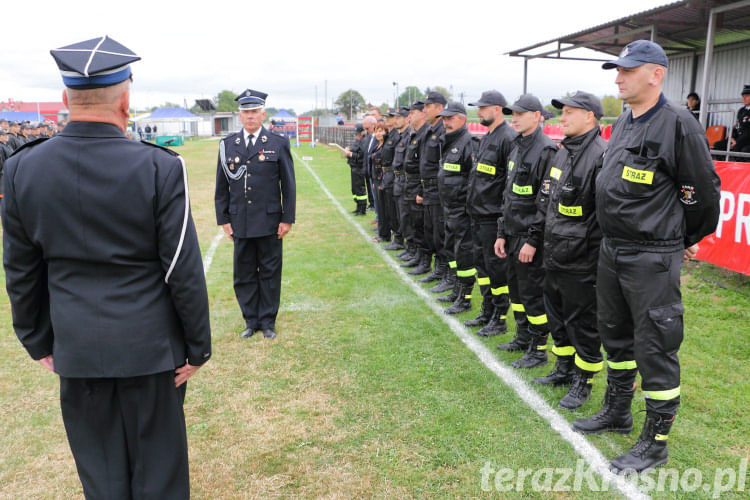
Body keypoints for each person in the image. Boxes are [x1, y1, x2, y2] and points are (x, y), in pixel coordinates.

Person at [2, 36, 211, 499]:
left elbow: (20, 270)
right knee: (159, 477)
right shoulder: (158, 167)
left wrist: (37, 341)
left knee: (102, 479)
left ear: (64, 99)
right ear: (125, 99)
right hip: (151, 350)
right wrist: (198, 347)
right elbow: (181, 268)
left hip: (76, 349)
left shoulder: (21, 169)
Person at [572, 40, 721, 474]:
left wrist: (678, 236)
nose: (618, 77)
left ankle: (654, 443)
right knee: (614, 336)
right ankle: (617, 410)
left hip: (651, 256)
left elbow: (703, 196)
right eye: (616, 70)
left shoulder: (679, 124)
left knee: (656, 347)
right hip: (612, 249)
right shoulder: (622, 122)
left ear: (656, 74)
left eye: (628, 70)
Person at [532, 91, 607, 412]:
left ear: (589, 116)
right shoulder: (562, 152)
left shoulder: (602, 155)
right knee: (557, 317)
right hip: (554, 255)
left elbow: (604, 216)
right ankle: (563, 368)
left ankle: (583, 380)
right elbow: (547, 202)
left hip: (582, 261)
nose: (562, 118)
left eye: (569, 113)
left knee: (582, 324)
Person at [215, 88, 296, 340]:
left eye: (254, 112)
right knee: (244, 273)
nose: (250, 116)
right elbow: (221, 187)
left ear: (263, 114)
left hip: (270, 221)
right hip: (241, 221)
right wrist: (224, 219)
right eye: (245, 112)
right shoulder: (228, 145)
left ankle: (268, 321)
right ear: (239, 116)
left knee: (270, 273)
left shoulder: (277, 143)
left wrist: (287, 218)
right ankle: (250, 320)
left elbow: (288, 184)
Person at [494, 94, 558, 369]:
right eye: (513, 114)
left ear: (537, 116)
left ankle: (539, 348)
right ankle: (522, 337)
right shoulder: (516, 146)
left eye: (521, 113)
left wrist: (532, 240)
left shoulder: (546, 150)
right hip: (512, 232)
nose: (514, 118)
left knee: (532, 295)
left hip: (530, 239)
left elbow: (545, 204)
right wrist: (501, 232)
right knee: (516, 293)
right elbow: (508, 195)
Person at [465, 90, 516, 335]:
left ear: (497, 109)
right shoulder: (487, 137)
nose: (479, 112)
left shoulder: (508, 138)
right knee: (483, 268)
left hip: (492, 216)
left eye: (483, 108)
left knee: (497, 271)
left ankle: (500, 317)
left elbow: (509, 183)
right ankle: (487, 310)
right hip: (477, 214)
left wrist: (502, 222)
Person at [436, 102, 476, 314]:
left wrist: (465, 208)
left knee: (464, 256)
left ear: (462, 119)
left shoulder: (469, 143)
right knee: (451, 251)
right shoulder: (447, 141)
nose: (446, 122)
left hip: (462, 212)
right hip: (448, 209)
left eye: (450, 118)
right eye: (443, 118)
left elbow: (473, 181)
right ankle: (455, 288)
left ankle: (465, 297)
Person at [416, 91, 448, 284]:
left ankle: (444, 272)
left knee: (440, 233)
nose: (425, 110)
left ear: (440, 108)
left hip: (437, 191)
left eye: (428, 106)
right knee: (430, 231)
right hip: (427, 189)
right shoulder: (430, 130)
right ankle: (438, 268)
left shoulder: (443, 130)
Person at [401, 101, 430, 273]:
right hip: (409, 183)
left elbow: (425, 166)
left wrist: (421, 190)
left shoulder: (425, 134)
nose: (409, 116)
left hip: (419, 184)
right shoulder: (415, 134)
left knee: (420, 224)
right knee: (413, 222)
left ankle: (424, 261)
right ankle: (417, 256)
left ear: (422, 114)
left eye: (413, 113)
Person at [713, 85, 750, 153]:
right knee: (718, 145)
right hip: (738, 139)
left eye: (747, 96)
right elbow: (737, 126)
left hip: (747, 141)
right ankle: (722, 163)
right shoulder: (741, 111)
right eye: (743, 96)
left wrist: (737, 142)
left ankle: (737, 163)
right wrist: (731, 137)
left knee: (742, 149)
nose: (744, 98)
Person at [370, 121, 388, 241]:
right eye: (377, 131)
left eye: (381, 131)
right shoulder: (377, 146)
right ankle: (381, 233)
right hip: (375, 181)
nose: (379, 133)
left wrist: (382, 182)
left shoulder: (386, 147)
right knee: (380, 209)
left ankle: (385, 234)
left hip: (383, 182)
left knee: (384, 209)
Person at [344, 124, 368, 215]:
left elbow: (361, 156)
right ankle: (358, 207)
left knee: (360, 189)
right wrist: (348, 150)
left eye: (357, 134)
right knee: (355, 189)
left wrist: (350, 154)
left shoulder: (363, 142)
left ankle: (362, 209)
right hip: (353, 167)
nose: (356, 135)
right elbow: (354, 149)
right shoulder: (357, 141)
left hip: (359, 168)